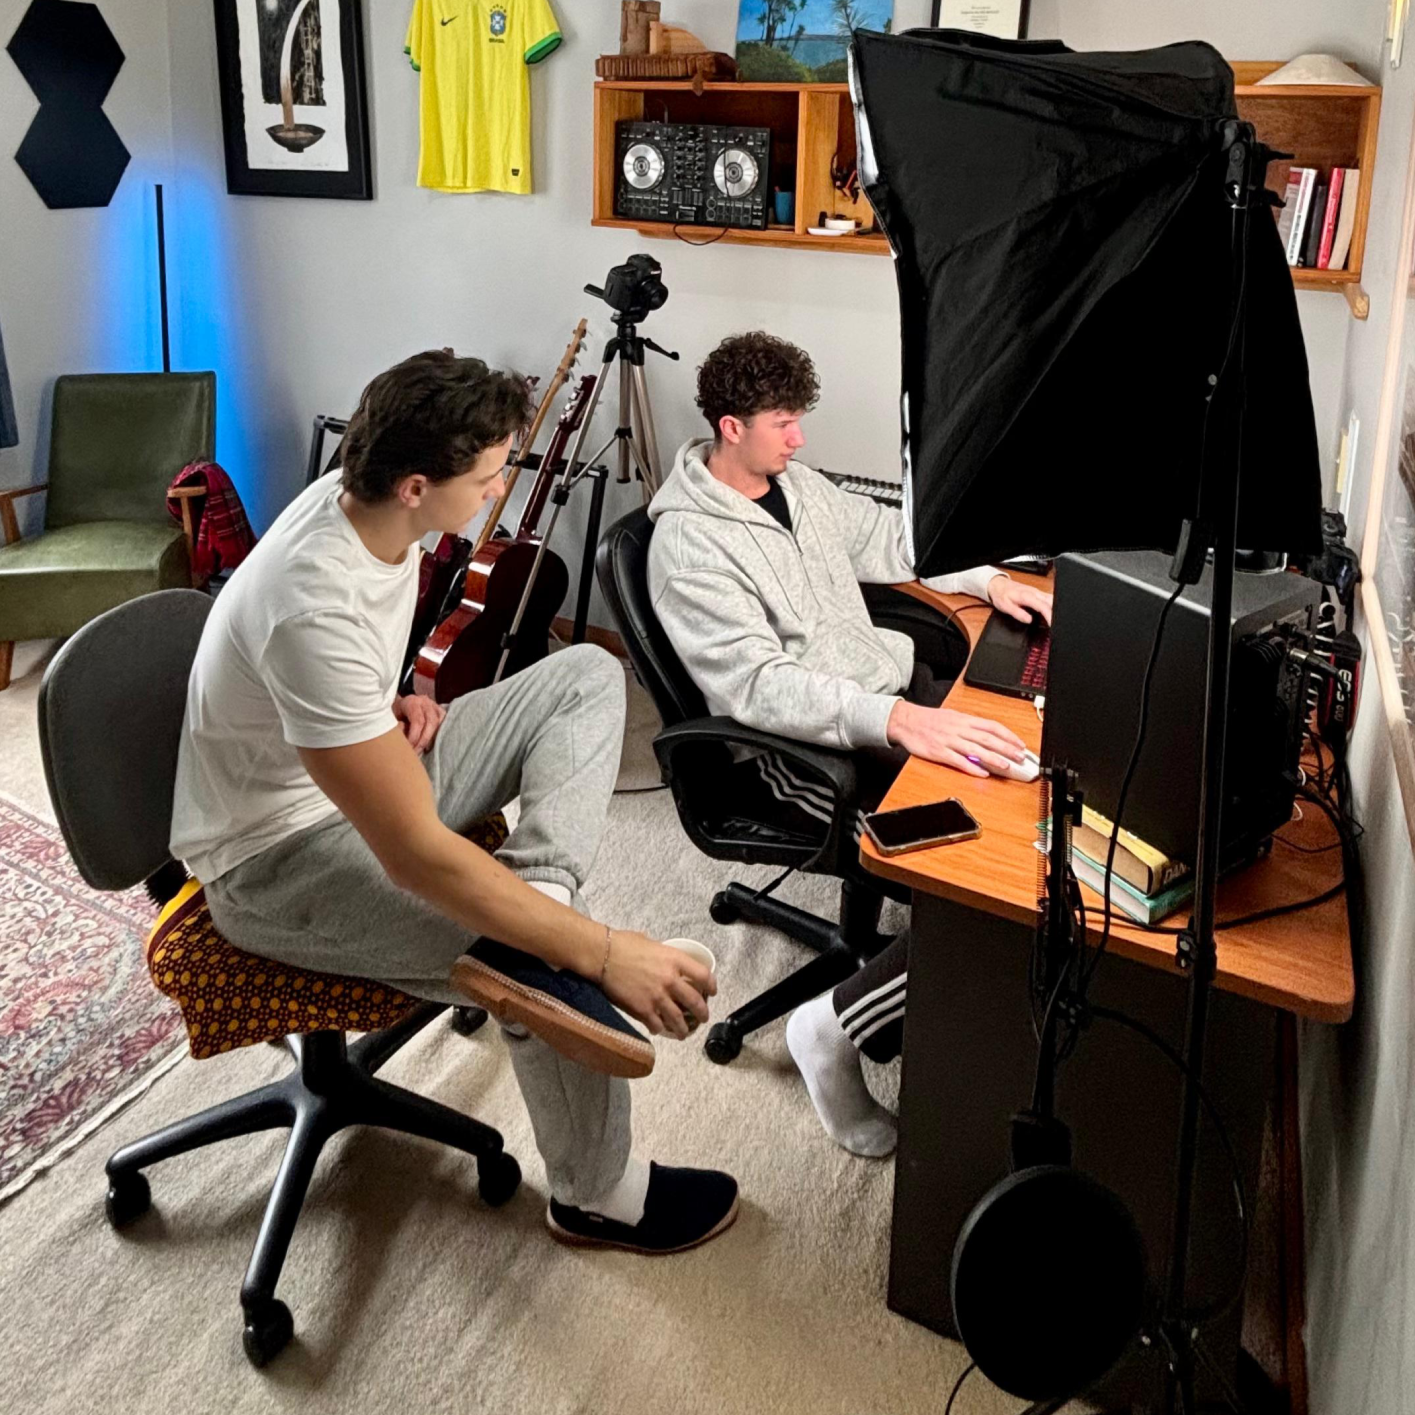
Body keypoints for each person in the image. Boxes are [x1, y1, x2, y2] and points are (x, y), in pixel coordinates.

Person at [169, 350, 738, 1254]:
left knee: (585, 676)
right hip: (274, 860)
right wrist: (597, 949)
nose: (499, 488)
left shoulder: (366, 510)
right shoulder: (309, 604)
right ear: (414, 485)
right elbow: (415, 856)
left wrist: (377, 704)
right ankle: (599, 1195)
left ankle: (540, 890)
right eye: (487, 476)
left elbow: (330, 679)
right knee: (539, 958)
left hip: (358, 770)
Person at [646, 332, 1052, 1158]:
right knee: (986, 877)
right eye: (783, 423)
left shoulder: (796, 486)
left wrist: (991, 581)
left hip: (878, 701)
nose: (799, 439)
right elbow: (757, 689)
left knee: (1027, 783)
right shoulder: (688, 547)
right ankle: (827, 1033)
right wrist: (899, 721)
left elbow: (892, 542)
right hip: (791, 757)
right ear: (730, 427)